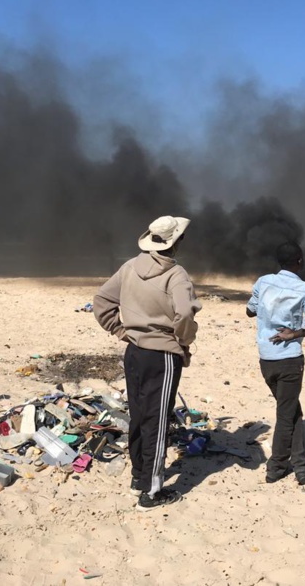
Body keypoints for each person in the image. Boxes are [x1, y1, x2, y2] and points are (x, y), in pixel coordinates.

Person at [94, 216, 202, 511]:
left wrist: (121, 331)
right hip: (163, 355)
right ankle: (152, 492)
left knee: (140, 416)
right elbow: (184, 315)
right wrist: (184, 342)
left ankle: (138, 478)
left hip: (134, 352)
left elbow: (101, 302)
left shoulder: (130, 267)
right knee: (158, 419)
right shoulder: (176, 275)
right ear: (176, 242)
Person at [246, 242, 305, 486]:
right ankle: (276, 467)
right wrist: (294, 333)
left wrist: (268, 309)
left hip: (266, 359)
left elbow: (250, 311)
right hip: (289, 360)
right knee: (286, 414)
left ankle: (301, 467)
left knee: (292, 410)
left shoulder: (263, 282)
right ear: (300, 260)